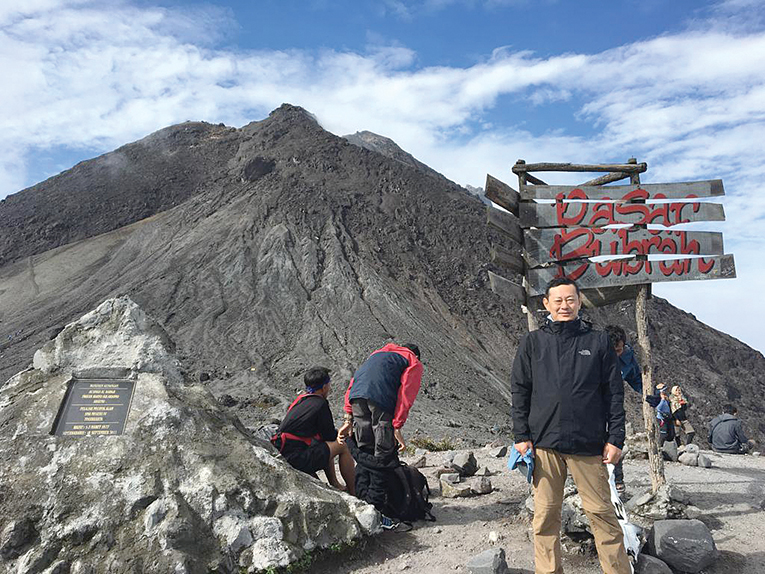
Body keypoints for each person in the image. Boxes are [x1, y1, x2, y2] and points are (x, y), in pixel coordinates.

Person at [511, 277, 631, 574]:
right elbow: (520, 390)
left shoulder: (598, 341)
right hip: (544, 443)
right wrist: (520, 435)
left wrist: (616, 438)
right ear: (546, 304)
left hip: (588, 443)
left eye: (570, 300)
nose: (564, 305)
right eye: (558, 300)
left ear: (579, 302)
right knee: (545, 516)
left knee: (602, 513)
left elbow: (614, 393)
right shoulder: (533, 342)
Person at [271, 366, 355, 495]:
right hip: (297, 458)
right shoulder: (320, 404)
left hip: (285, 453)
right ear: (324, 387)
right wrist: (343, 432)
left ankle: (335, 484)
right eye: (329, 384)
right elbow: (329, 435)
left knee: (324, 445)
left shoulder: (302, 400)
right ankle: (354, 492)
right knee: (343, 446)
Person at [339, 342, 423, 459]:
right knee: (383, 448)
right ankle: (382, 474)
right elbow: (406, 394)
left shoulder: (376, 354)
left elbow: (354, 381)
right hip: (381, 399)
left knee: (364, 448)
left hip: (356, 397)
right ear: (417, 356)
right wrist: (397, 426)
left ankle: (365, 475)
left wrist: (348, 418)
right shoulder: (413, 360)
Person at [605, 325, 643, 495]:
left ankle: (617, 481)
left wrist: (650, 393)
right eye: (613, 350)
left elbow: (636, 379)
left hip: (614, 405)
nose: (616, 354)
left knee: (614, 441)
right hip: (591, 405)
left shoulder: (627, 356)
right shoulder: (593, 353)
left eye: (619, 350)